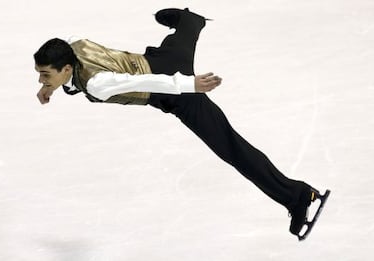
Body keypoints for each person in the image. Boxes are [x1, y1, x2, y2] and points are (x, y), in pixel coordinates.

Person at [33, 8, 330, 240]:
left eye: (46, 75)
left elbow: (142, 81)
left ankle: (298, 195)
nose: (41, 80)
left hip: (175, 92)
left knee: (231, 148)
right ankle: (189, 21)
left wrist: (189, 85)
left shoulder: (97, 84)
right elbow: (68, 52)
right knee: (180, 44)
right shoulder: (70, 43)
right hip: (160, 59)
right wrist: (52, 86)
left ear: (68, 68)